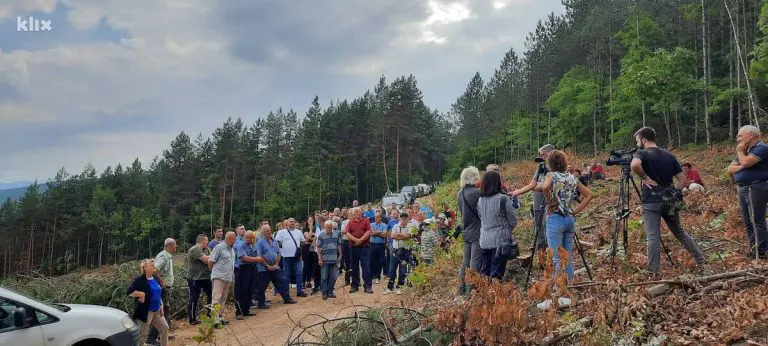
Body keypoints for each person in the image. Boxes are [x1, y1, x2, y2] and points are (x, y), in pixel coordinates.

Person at [630, 127, 707, 274]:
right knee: (679, 232)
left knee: (653, 236)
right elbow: (682, 179)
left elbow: (634, 165)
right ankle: (700, 259)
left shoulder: (641, 153)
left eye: (638, 140)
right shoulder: (669, 155)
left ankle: (653, 270)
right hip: (669, 200)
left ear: (644, 139)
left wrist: (645, 178)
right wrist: (674, 193)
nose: (637, 143)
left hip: (651, 200)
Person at [541, 151, 594, 284]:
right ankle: (569, 286)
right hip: (569, 218)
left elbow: (545, 187)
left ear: (550, 164)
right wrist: (574, 211)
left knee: (556, 257)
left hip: (555, 218)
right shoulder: (571, 177)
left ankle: (558, 291)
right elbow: (589, 195)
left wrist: (549, 203)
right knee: (567, 256)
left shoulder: (551, 175)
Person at [727, 125, 768, 259]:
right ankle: (753, 248)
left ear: (750, 135)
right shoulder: (746, 150)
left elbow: (746, 162)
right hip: (742, 187)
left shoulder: (761, 148)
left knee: (757, 219)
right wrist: (742, 165)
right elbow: (730, 169)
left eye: (740, 135)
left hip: (755, 187)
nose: (737, 139)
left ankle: (761, 251)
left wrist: (740, 154)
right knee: (747, 221)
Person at [512, 144, 556, 253]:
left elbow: (547, 185)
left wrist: (539, 186)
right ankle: (541, 255)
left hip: (550, 205)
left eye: (543, 155)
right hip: (538, 204)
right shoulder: (540, 167)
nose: (542, 158)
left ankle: (550, 257)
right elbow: (532, 185)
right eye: (541, 155)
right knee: (539, 230)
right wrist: (517, 192)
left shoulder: (557, 166)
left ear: (550, 154)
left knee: (548, 232)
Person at [477, 171, 518, 280]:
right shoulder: (503, 199)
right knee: (497, 273)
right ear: (498, 182)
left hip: (484, 240)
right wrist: (507, 231)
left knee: (485, 270)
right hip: (501, 241)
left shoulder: (480, 200)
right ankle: (494, 294)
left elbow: (481, 217)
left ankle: (484, 294)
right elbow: (513, 220)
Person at [127, 259, 169, 346]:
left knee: (164, 328)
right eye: (151, 265)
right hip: (146, 311)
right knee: (142, 336)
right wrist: (141, 294)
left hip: (157, 311)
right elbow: (129, 292)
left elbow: (158, 293)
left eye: (154, 265)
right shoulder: (139, 280)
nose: (154, 266)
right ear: (145, 268)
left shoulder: (156, 278)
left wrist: (161, 304)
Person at [255, 224, 297, 308]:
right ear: (263, 233)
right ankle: (261, 303)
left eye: (270, 230)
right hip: (264, 268)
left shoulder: (274, 241)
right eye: (267, 231)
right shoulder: (260, 242)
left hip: (275, 267)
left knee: (282, 281)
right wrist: (267, 266)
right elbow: (259, 256)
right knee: (262, 286)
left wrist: (276, 264)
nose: (269, 232)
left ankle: (287, 298)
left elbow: (278, 253)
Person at [456, 166, 482, 296]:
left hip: (466, 231)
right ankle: (469, 294)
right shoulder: (477, 193)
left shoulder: (460, 193)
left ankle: (461, 290)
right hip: (477, 231)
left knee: (465, 263)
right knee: (474, 263)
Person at [148, 238, 175, 344]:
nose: (176, 247)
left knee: (166, 311)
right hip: (161, 289)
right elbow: (154, 269)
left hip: (165, 288)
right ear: (169, 246)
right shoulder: (164, 256)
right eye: (174, 245)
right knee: (159, 313)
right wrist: (161, 281)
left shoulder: (167, 256)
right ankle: (151, 338)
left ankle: (163, 334)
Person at [208, 231, 236, 326]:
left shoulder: (231, 249)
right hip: (219, 277)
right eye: (234, 239)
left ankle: (220, 317)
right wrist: (215, 272)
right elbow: (211, 261)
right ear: (229, 239)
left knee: (223, 299)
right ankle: (215, 320)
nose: (235, 241)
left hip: (228, 277)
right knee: (216, 298)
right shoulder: (219, 247)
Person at [234, 231, 263, 320]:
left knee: (250, 289)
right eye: (246, 237)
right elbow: (244, 258)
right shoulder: (241, 245)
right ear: (244, 238)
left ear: (253, 238)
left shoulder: (253, 245)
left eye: (250, 237)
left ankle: (246, 310)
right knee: (241, 291)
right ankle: (239, 311)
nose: (248, 239)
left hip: (252, 269)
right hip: (243, 269)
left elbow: (259, 256)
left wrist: (256, 259)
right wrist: (256, 259)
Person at [385, 212, 415, 295]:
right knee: (392, 269)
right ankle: (390, 287)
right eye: (402, 218)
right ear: (400, 218)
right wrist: (402, 236)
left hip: (405, 251)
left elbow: (408, 236)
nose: (403, 220)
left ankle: (400, 287)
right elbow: (393, 236)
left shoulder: (410, 226)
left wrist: (399, 235)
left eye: (405, 219)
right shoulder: (395, 226)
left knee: (403, 270)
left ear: (407, 219)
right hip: (395, 250)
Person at [275, 219, 307, 297]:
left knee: (299, 272)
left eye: (294, 222)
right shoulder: (281, 232)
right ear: (287, 224)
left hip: (296, 257)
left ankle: (299, 291)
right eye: (291, 221)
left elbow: (303, 241)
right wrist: (281, 245)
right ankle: (286, 292)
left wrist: (299, 246)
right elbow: (276, 242)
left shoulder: (299, 232)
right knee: (286, 274)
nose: (292, 223)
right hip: (286, 256)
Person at [345, 207, 374, 294]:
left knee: (366, 267)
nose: (358, 213)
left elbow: (369, 232)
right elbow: (347, 233)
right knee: (354, 267)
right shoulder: (350, 222)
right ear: (353, 213)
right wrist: (355, 240)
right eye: (356, 211)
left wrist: (360, 240)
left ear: (362, 212)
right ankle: (354, 285)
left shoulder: (366, 221)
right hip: (353, 247)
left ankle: (368, 286)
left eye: (359, 211)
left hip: (364, 247)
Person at [186, 234, 212, 326]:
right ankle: (192, 318)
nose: (208, 242)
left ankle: (210, 314)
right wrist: (212, 257)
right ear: (201, 241)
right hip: (194, 278)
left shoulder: (207, 249)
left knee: (211, 295)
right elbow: (206, 260)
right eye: (206, 240)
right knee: (194, 298)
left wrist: (211, 258)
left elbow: (211, 259)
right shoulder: (195, 249)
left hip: (206, 277)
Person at [317, 220, 342, 300]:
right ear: (325, 227)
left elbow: (338, 245)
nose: (329, 229)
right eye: (328, 227)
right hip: (325, 259)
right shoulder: (321, 235)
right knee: (324, 277)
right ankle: (324, 293)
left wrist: (340, 254)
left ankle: (330, 291)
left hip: (334, 259)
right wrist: (319, 259)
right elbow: (318, 247)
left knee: (334, 276)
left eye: (331, 227)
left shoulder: (336, 234)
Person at [370, 214, 389, 284]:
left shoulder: (384, 225)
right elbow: (370, 234)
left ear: (381, 218)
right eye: (375, 217)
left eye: (378, 217)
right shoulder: (371, 224)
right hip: (372, 244)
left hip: (381, 245)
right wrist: (379, 232)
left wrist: (375, 232)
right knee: (371, 260)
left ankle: (377, 277)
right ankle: (371, 276)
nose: (376, 218)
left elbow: (384, 235)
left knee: (379, 261)